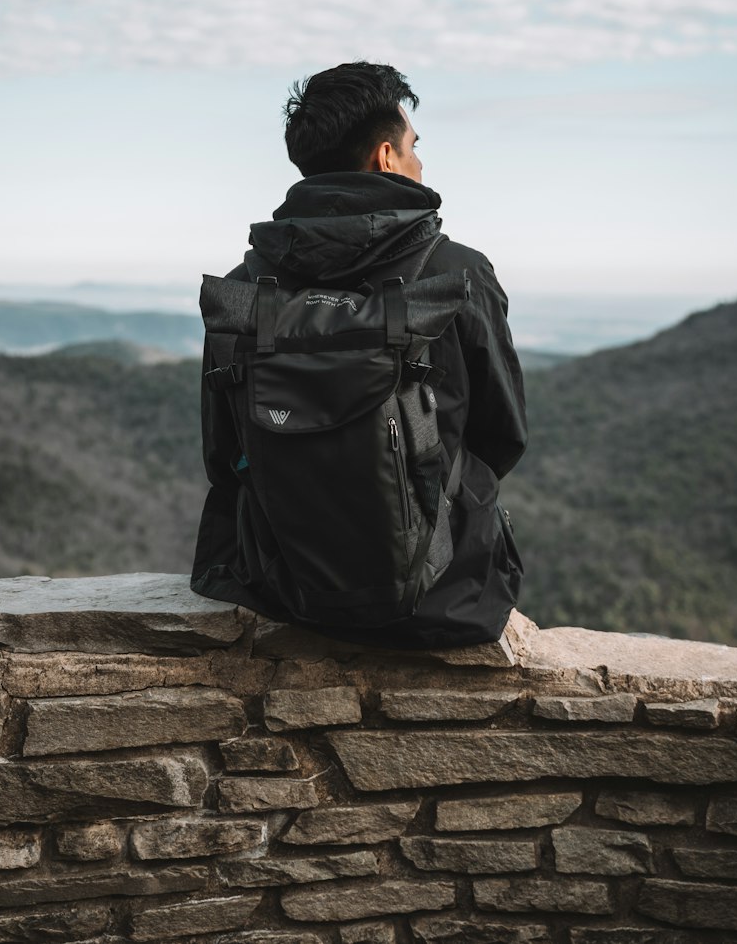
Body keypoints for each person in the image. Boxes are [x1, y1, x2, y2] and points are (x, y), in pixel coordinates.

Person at [191, 60, 527, 647]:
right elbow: (504, 435)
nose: (422, 162)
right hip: (446, 597)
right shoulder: (457, 273)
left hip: (282, 588)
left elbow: (223, 453)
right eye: (415, 146)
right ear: (385, 157)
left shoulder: (243, 288)